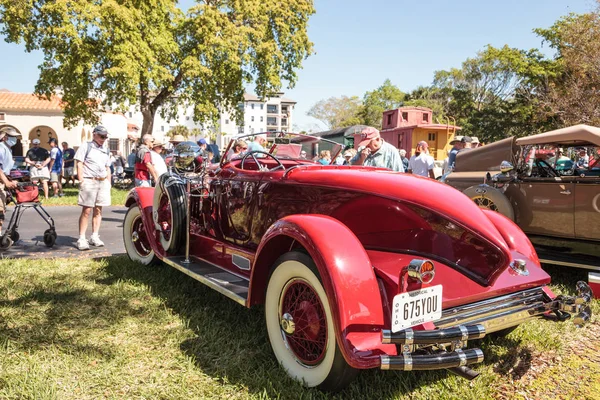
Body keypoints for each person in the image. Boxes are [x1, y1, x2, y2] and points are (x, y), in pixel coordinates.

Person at [74, 125, 112, 250]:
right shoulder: (86, 146)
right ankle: (82, 238)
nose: (103, 139)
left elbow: (108, 167)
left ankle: (94, 236)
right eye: (101, 136)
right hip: (89, 181)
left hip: (102, 181)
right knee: (87, 210)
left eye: (105, 137)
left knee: (98, 210)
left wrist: (108, 182)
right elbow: (79, 163)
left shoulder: (106, 149)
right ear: (94, 134)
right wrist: (81, 181)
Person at [0, 127, 20, 237]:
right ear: (5, 137)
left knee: (2, 210)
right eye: (13, 137)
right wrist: (6, 182)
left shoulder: (8, 149)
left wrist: (10, 180)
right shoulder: (1, 148)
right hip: (1, 182)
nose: (15, 139)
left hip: (3, 181)